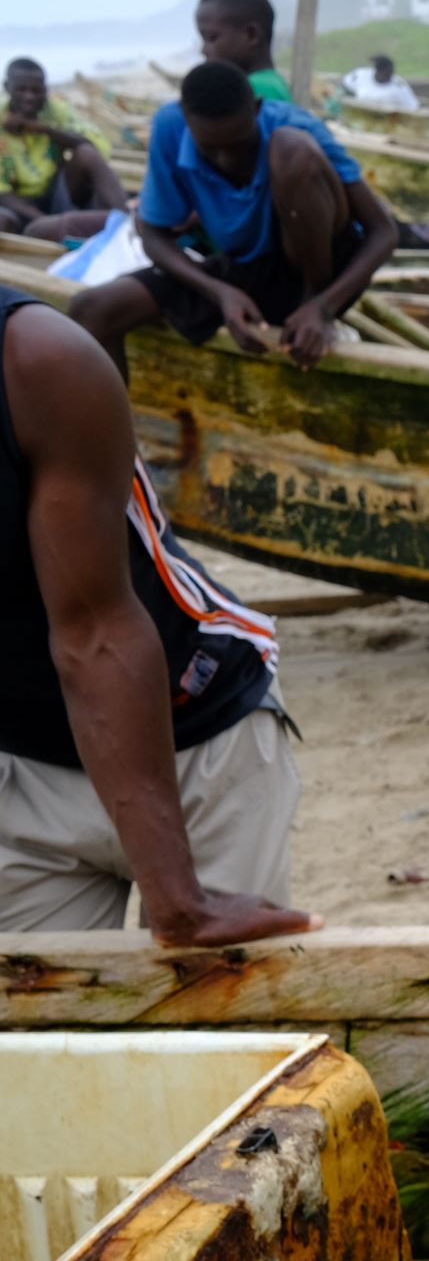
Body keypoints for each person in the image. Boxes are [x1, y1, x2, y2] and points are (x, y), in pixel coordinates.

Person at [0, 287, 316, 944]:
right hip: (21, 760)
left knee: (216, 1023)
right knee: (37, 1038)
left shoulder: (40, 363)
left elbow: (95, 635)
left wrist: (180, 900)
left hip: (193, 735)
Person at [67, 61, 396, 375]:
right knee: (89, 311)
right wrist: (219, 292)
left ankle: (310, 310)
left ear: (256, 108)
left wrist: (322, 307)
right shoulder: (170, 126)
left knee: (291, 150)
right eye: (209, 149)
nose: (225, 160)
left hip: (319, 273)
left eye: (240, 146)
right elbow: (153, 234)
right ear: (186, 120)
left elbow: (383, 232)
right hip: (245, 269)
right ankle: (116, 433)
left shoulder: (294, 127)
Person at [0, 59, 125, 241]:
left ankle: (125, 217)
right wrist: (42, 219)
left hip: (55, 194)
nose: (29, 97)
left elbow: (97, 143)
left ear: (45, 89)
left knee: (85, 152)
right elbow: (2, 193)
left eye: (36, 90)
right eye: (22, 89)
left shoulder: (55, 111)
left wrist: (43, 129)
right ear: (7, 87)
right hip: (17, 206)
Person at [196, 0, 289, 104]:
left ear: (251, 35)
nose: (203, 50)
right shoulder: (272, 82)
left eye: (211, 38)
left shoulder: (256, 89)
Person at [343, 53, 419, 113]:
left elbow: (412, 107)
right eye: (385, 73)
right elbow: (345, 86)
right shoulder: (361, 75)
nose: (389, 76)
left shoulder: (399, 85)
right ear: (377, 70)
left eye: (391, 73)